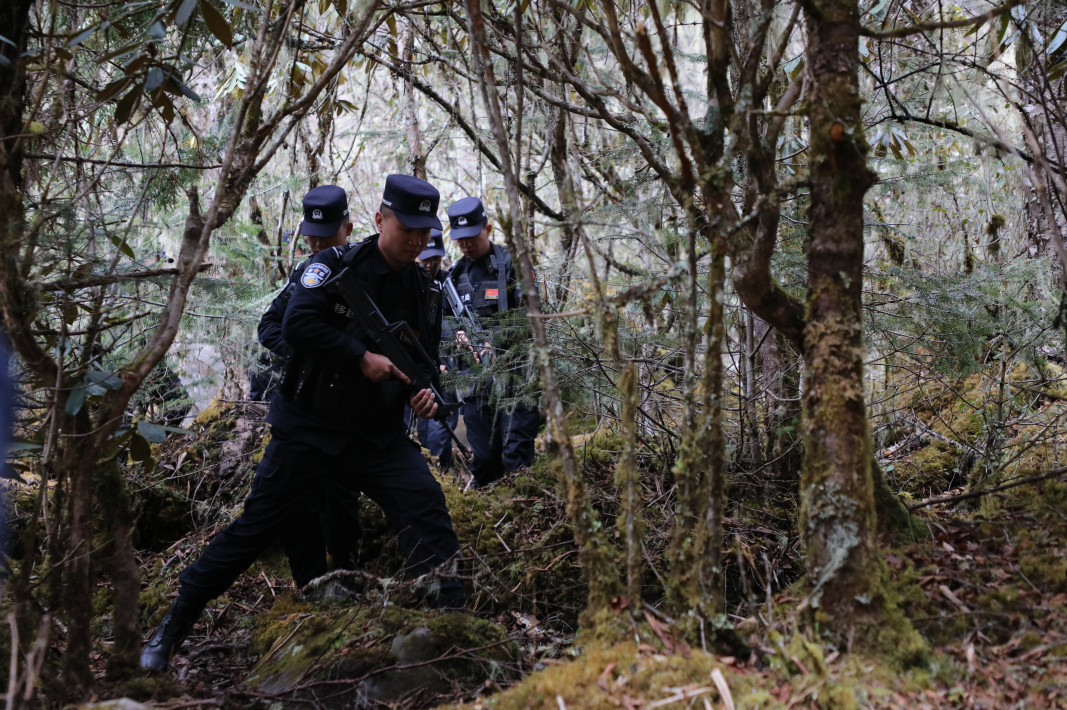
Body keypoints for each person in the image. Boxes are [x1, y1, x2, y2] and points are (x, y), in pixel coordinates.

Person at [141, 175, 464, 672]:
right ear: (380, 220)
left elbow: (423, 364)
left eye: (425, 230)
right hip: (309, 429)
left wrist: (425, 398)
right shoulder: (331, 266)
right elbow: (293, 325)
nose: (418, 240)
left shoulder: (425, 290)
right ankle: (174, 624)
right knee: (253, 530)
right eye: (407, 228)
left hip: (375, 437)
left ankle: (451, 623)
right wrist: (359, 356)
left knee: (425, 504)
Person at [256, 185, 363, 586]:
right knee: (293, 502)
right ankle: (310, 584)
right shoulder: (305, 273)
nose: (317, 243)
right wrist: (303, 352)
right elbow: (268, 325)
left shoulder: (363, 270)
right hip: (300, 408)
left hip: (346, 412)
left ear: (348, 228)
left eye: (327, 234)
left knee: (340, 498)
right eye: (311, 235)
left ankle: (347, 574)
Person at [445, 197, 540, 487]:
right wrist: (455, 335)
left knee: (516, 455)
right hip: (475, 386)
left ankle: (523, 517)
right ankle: (489, 516)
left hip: (515, 379)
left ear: (488, 228)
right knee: (484, 460)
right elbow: (442, 321)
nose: (466, 245)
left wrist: (500, 341)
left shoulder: (512, 266)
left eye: (472, 237)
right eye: (460, 240)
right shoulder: (455, 277)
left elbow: (532, 315)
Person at [413, 229, 460, 470]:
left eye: (435, 260)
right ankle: (428, 467)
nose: (430, 265)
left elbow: (456, 322)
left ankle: (442, 469)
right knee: (420, 421)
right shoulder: (407, 280)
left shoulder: (449, 284)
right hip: (414, 363)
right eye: (425, 260)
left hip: (445, 364)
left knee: (442, 420)